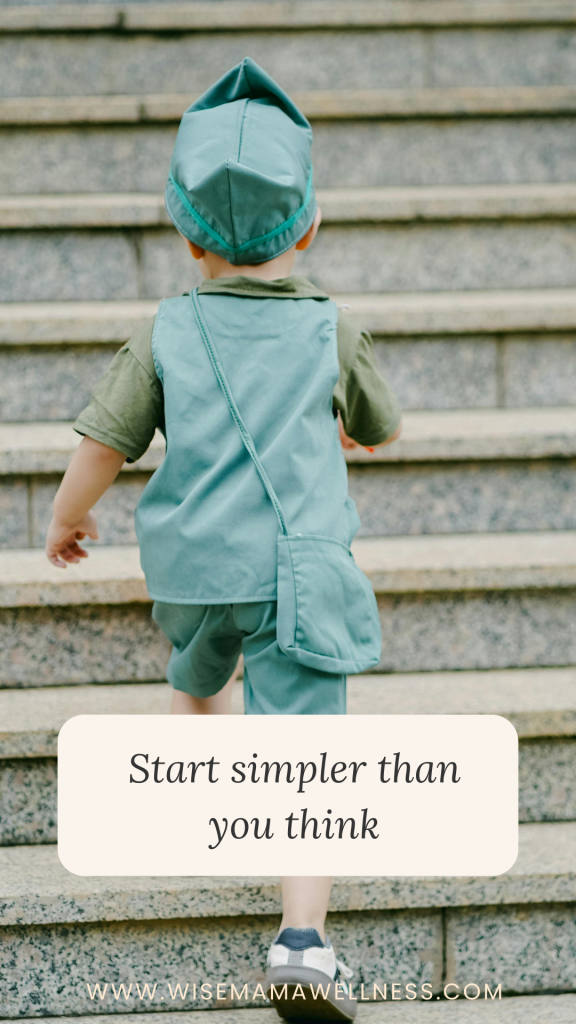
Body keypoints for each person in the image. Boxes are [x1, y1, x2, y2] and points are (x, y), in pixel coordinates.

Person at [45, 58, 401, 1022]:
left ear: (186, 235)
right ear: (310, 226)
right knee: (307, 752)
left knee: (200, 676)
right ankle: (302, 943)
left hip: (195, 569)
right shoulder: (330, 328)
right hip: (298, 577)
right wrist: (352, 427)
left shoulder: (163, 331)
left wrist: (68, 517)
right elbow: (380, 420)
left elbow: (101, 444)